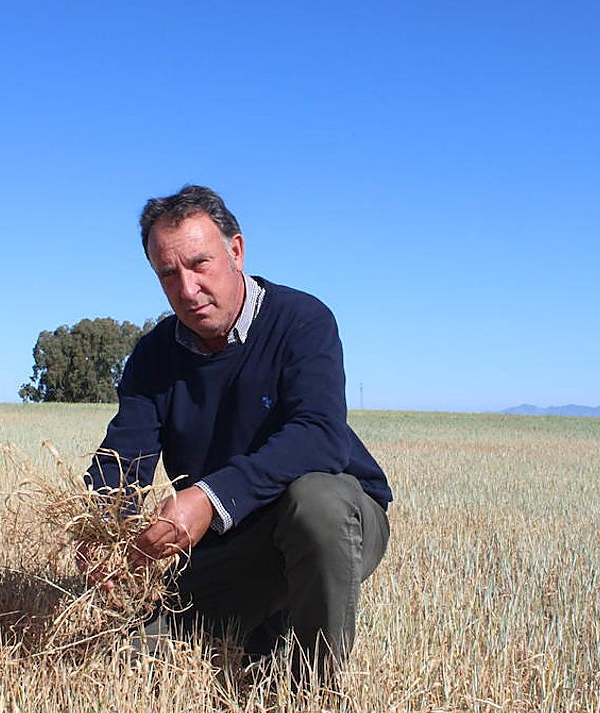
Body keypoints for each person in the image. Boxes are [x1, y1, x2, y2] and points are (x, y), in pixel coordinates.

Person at [81, 185, 392, 684]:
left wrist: (208, 499)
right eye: (167, 274)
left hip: (333, 523)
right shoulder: (152, 357)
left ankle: (311, 702)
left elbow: (320, 436)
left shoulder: (302, 322)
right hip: (230, 547)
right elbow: (122, 457)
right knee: (133, 666)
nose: (186, 289)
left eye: (200, 263)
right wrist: (104, 532)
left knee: (317, 500)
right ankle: (265, 625)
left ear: (237, 251)